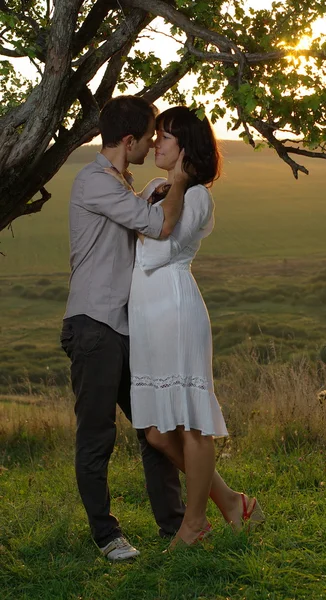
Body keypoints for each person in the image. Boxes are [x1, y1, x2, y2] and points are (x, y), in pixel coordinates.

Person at [128, 106, 265, 548]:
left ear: (186, 147)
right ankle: (231, 501)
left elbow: (158, 250)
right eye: (158, 136)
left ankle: (194, 523)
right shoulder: (154, 187)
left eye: (166, 137)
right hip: (148, 317)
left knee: (191, 426)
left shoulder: (197, 195)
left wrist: (183, 183)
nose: (157, 144)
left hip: (177, 312)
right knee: (157, 433)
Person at [60, 96, 188, 561]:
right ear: (129, 140)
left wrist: (150, 189)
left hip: (121, 328)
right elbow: (156, 226)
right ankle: (106, 534)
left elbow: (134, 214)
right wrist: (176, 181)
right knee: (97, 436)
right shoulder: (93, 181)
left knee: (154, 425)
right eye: (151, 135)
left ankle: (174, 526)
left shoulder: (118, 183)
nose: (155, 142)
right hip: (94, 326)